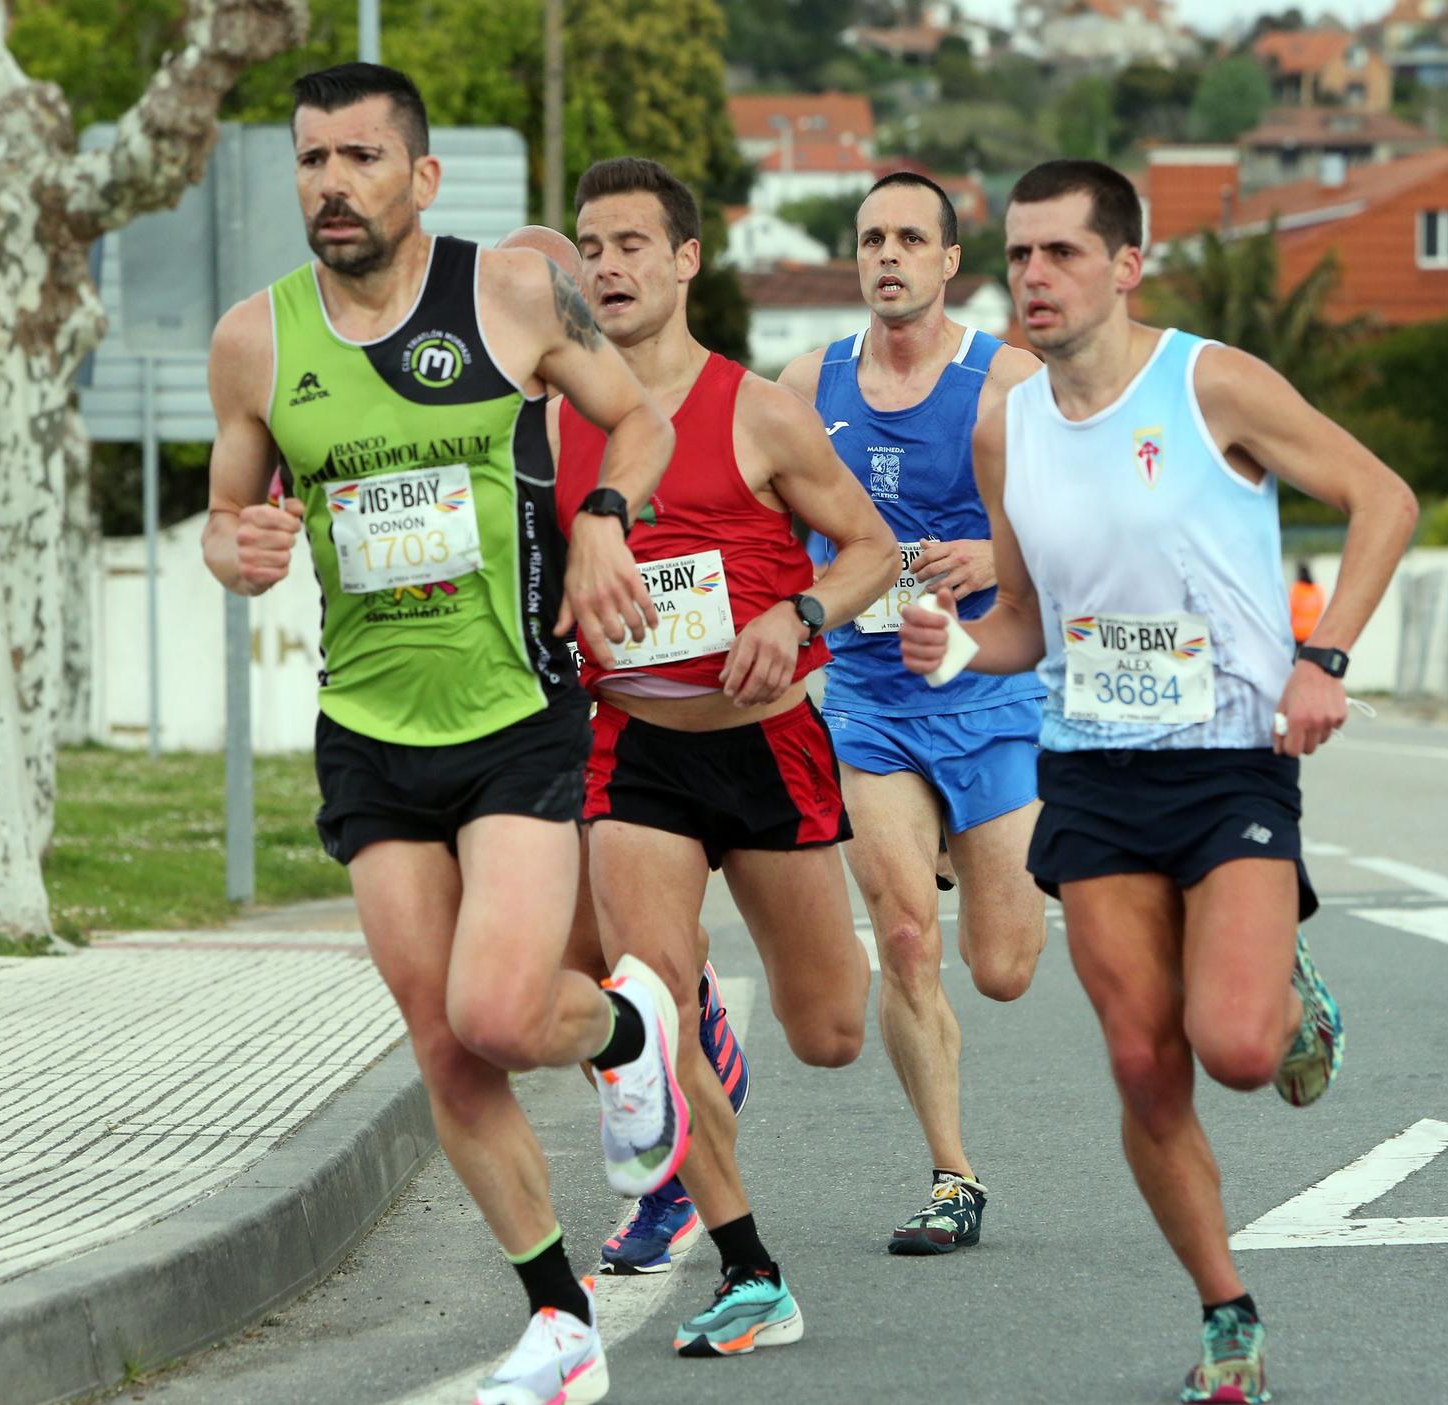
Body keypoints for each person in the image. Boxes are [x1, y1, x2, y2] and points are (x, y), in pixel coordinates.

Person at [200, 64, 689, 1405]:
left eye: (359, 157)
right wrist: (236, 546)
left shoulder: (513, 295)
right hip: (366, 726)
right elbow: (228, 509)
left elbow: (638, 420)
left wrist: (604, 520)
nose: (331, 184)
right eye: (310, 160)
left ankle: (630, 1035)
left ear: (421, 179)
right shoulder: (255, 339)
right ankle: (562, 1319)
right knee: (442, 1039)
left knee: (498, 1006)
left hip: (516, 706)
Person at [898, 159, 1416, 1404]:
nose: (1033, 276)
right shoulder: (1004, 426)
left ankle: (1293, 1004)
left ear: (1124, 266)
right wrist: (964, 648)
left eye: (1061, 253)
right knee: (1141, 1064)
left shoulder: (1208, 381)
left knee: (1234, 1050)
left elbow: (1381, 498)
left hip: (1227, 761)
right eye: (1018, 255)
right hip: (1086, 767)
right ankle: (1224, 1314)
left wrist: (1321, 655)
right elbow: (1029, 618)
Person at [557, 156, 897, 1356]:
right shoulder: (551, 420)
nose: (606, 267)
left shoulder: (756, 408)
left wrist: (797, 615)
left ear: (686, 260)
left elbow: (870, 550)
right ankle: (750, 1268)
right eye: (590, 246)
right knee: (649, 1003)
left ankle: (711, 1038)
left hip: (768, 746)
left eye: (631, 245)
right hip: (633, 751)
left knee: (830, 1029)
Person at [779, 171, 1046, 1255]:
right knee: (901, 935)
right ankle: (951, 1174)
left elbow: (1075, 519)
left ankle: (961, 832)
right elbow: (759, 508)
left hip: (986, 688)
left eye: (908, 238)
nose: (885, 254)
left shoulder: (1008, 377)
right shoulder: (805, 384)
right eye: (869, 237)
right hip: (871, 699)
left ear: (947, 262)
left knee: (1003, 967)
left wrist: (991, 553)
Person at [497, 221, 756, 1280]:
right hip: (505, 722)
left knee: (626, 971)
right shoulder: (468, 412)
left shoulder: (598, 417)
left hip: (598, 720)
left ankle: (670, 1148)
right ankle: (679, 1058)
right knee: (563, 975)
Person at [1289, 561, 1326, 645]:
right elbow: (1320, 607)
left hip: (1297, 632)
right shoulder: (1317, 589)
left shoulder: (1296, 588)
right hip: (1312, 631)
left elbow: (1290, 608)